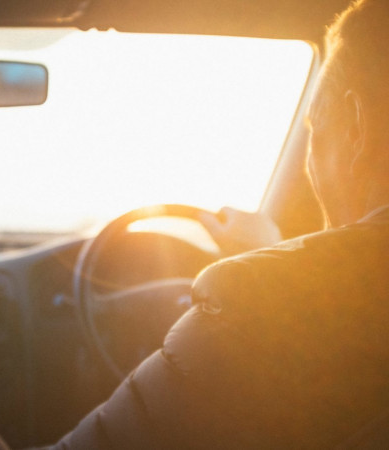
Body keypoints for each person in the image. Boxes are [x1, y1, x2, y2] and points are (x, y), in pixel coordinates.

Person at [49, 0, 389, 447]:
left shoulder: (251, 311)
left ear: (355, 131)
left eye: (314, 131)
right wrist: (275, 253)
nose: (310, 163)